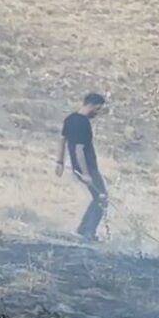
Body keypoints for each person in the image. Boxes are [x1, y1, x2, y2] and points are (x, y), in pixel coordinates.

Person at [56, 93, 108, 242]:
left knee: (98, 197)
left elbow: (62, 140)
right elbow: (79, 150)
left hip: (78, 168)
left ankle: (84, 230)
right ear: (91, 105)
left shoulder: (70, 119)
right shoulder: (83, 123)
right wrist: (86, 174)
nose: (97, 113)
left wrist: (59, 162)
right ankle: (87, 233)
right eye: (97, 109)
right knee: (102, 198)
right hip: (87, 168)